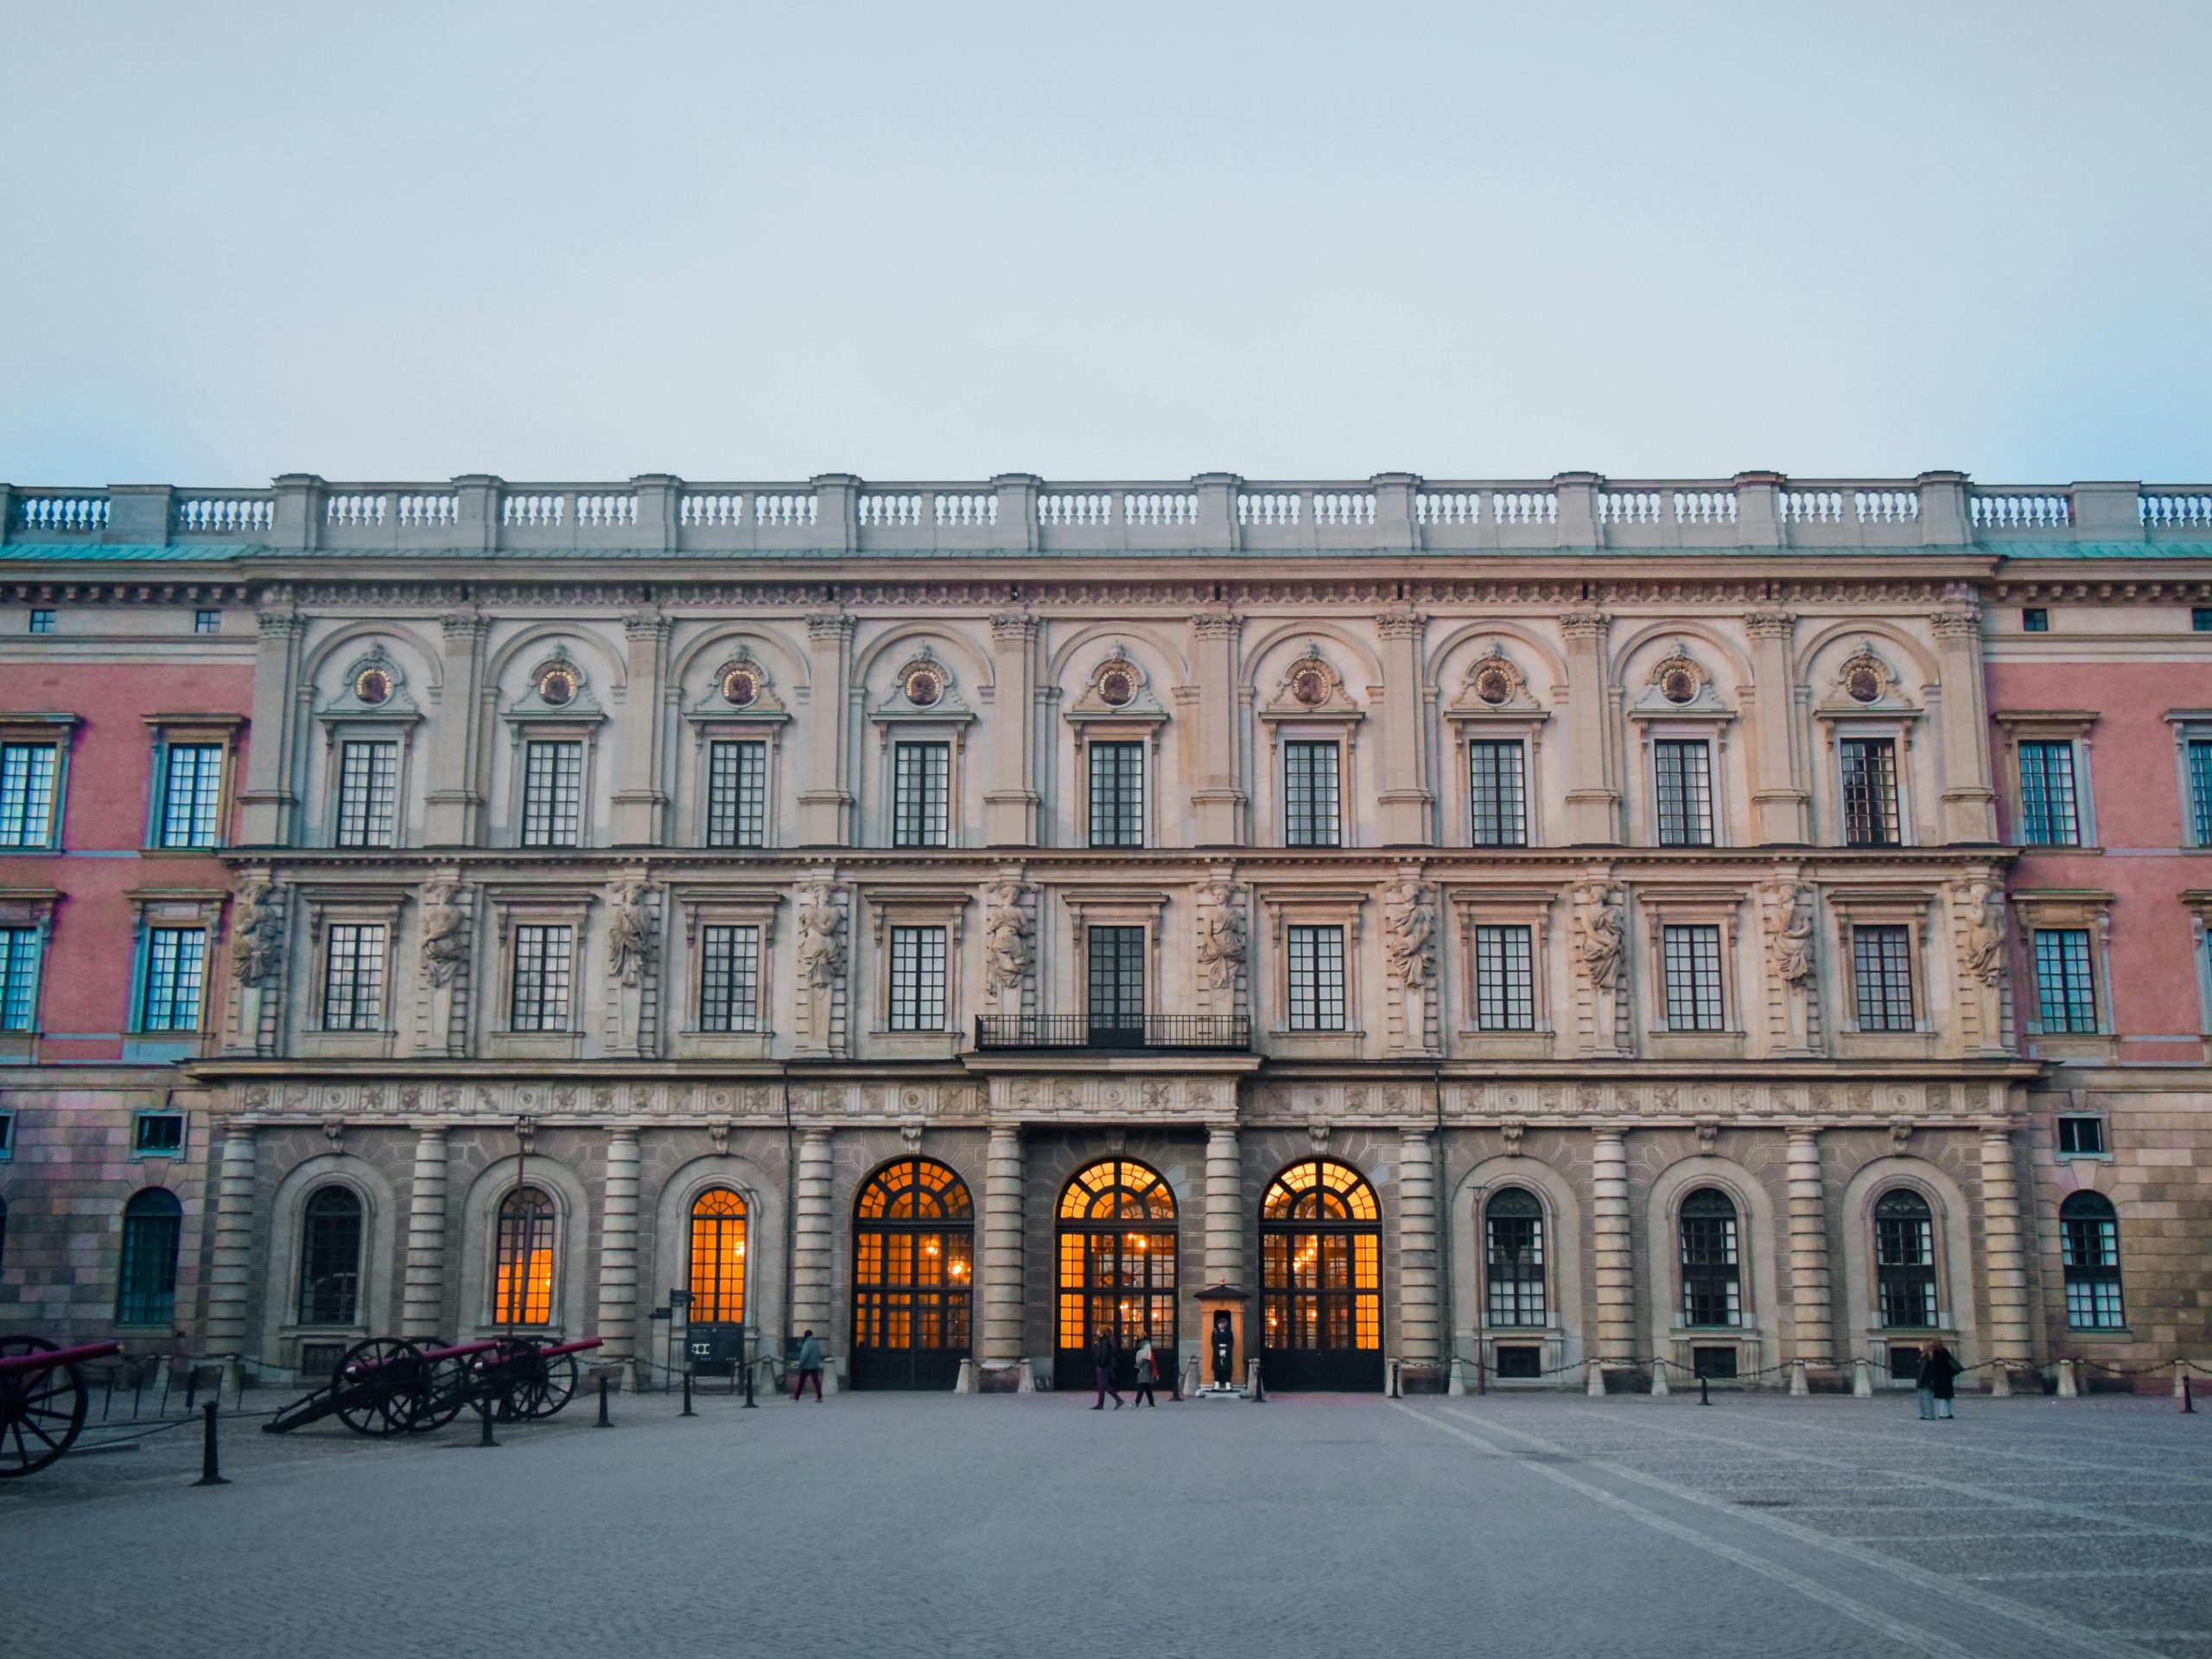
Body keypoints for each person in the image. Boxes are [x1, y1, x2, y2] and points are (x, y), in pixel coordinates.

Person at [1916, 1338, 1960, 1421]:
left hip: (1939, 1377)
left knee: (1941, 1396)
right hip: (1947, 1376)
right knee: (1947, 1396)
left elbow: (1927, 1369)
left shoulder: (1933, 1354)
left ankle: (1943, 1413)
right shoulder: (1944, 1351)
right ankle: (1948, 1412)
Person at [1090, 1327, 1123, 1409]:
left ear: (1102, 1331)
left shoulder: (1104, 1341)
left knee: (1103, 1384)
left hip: (1103, 1365)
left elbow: (1104, 1353)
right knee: (1100, 1385)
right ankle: (1100, 1404)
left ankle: (1118, 1399)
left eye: (1098, 1330)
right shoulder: (1102, 1340)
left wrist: (1101, 1363)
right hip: (1102, 1364)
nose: (1096, 1331)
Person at [792, 1328, 823, 1402]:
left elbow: (804, 1355)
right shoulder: (817, 1343)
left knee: (801, 1382)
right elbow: (819, 1353)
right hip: (814, 1365)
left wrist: (800, 1365)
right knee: (816, 1382)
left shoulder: (807, 1343)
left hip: (806, 1366)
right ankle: (819, 1396)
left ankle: (796, 1397)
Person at [1132, 1337, 1159, 1408]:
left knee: (1141, 1386)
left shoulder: (1145, 1346)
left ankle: (1137, 1403)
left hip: (1144, 1369)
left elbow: (1144, 1359)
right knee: (1147, 1388)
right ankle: (1151, 1403)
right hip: (1147, 1369)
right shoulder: (1147, 1345)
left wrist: (1138, 1366)